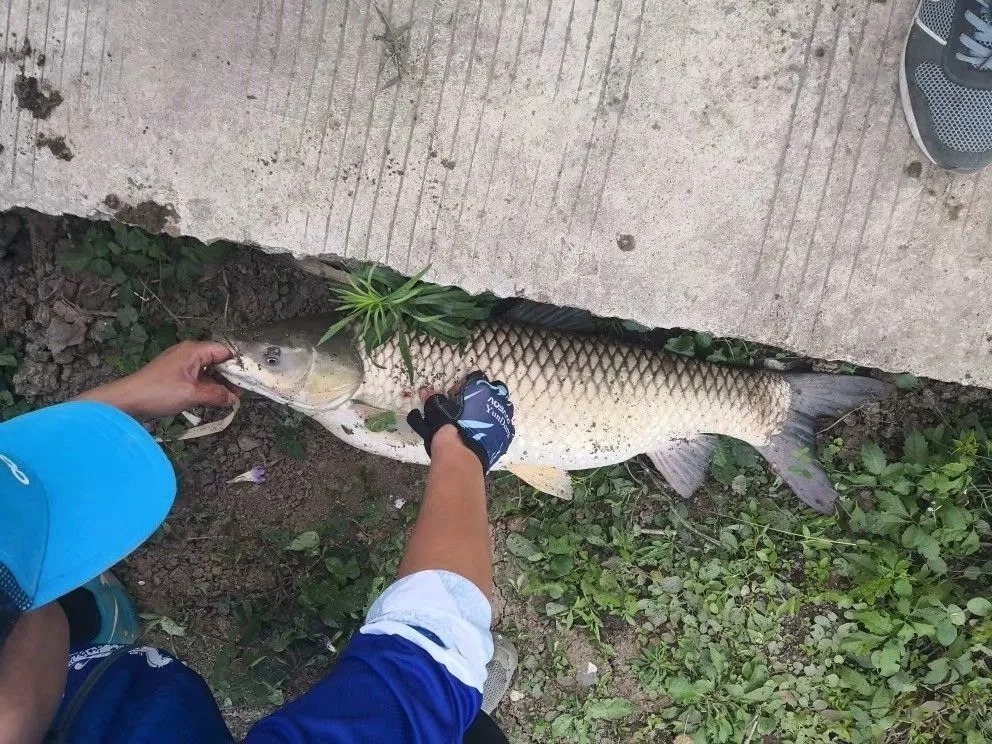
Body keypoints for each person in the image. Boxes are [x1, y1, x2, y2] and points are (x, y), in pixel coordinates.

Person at [0, 341, 518, 743]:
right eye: (36, 589)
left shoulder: (22, 697)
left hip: (91, 686)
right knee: (437, 712)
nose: (52, 579)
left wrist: (120, 402)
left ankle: (86, 633)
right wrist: (463, 448)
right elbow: (430, 652)